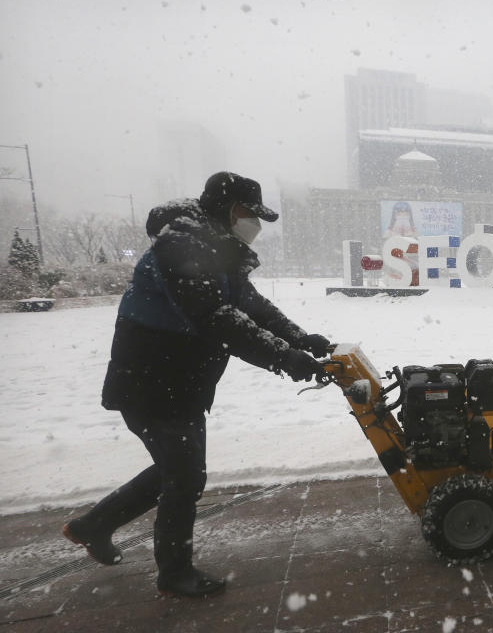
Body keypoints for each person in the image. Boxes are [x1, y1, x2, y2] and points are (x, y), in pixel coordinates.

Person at [62, 171, 331, 598]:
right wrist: (286, 360)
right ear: (227, 209)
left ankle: (93, 526)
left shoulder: (214, 247)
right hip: (153, 383)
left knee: (177, 471)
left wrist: (300, 339)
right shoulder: (182, 248)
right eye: (249, 213)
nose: (254, 225)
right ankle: (173, 572)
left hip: (175, 383)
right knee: (184, 477)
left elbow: (248, 304)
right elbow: (218, 319)